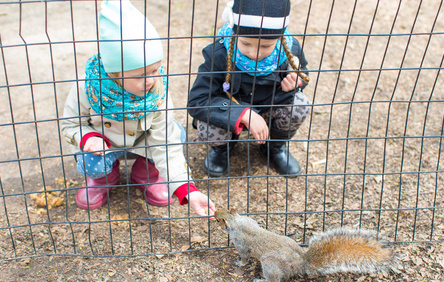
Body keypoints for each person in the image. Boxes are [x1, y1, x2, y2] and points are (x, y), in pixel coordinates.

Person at [61, 0, 215, 217]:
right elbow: (70, 125)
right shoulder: (87, 88)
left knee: (176, 133)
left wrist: (187, 190)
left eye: (155, 69)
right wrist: (88, 138)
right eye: (141, 75)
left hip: (143, 142)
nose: (151, 80)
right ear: (115, 73)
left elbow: (166, 144)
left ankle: (146, 174)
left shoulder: (157, 91)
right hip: (103, 145)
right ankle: (104, 178)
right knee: (90, 161)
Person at [188, 0, 310, 177]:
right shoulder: (219, 53)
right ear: (234, 33)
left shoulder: (290, 48)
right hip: (230, 112)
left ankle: (274, 147)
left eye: (267, 46)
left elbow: (303, 72)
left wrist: (297, 80)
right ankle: (222, 149)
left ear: (280, 37)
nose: (255, 53)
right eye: (245, 44)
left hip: (270, 107)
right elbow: (197, 101)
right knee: (207, 126)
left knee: (300, 105)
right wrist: (242, 113)